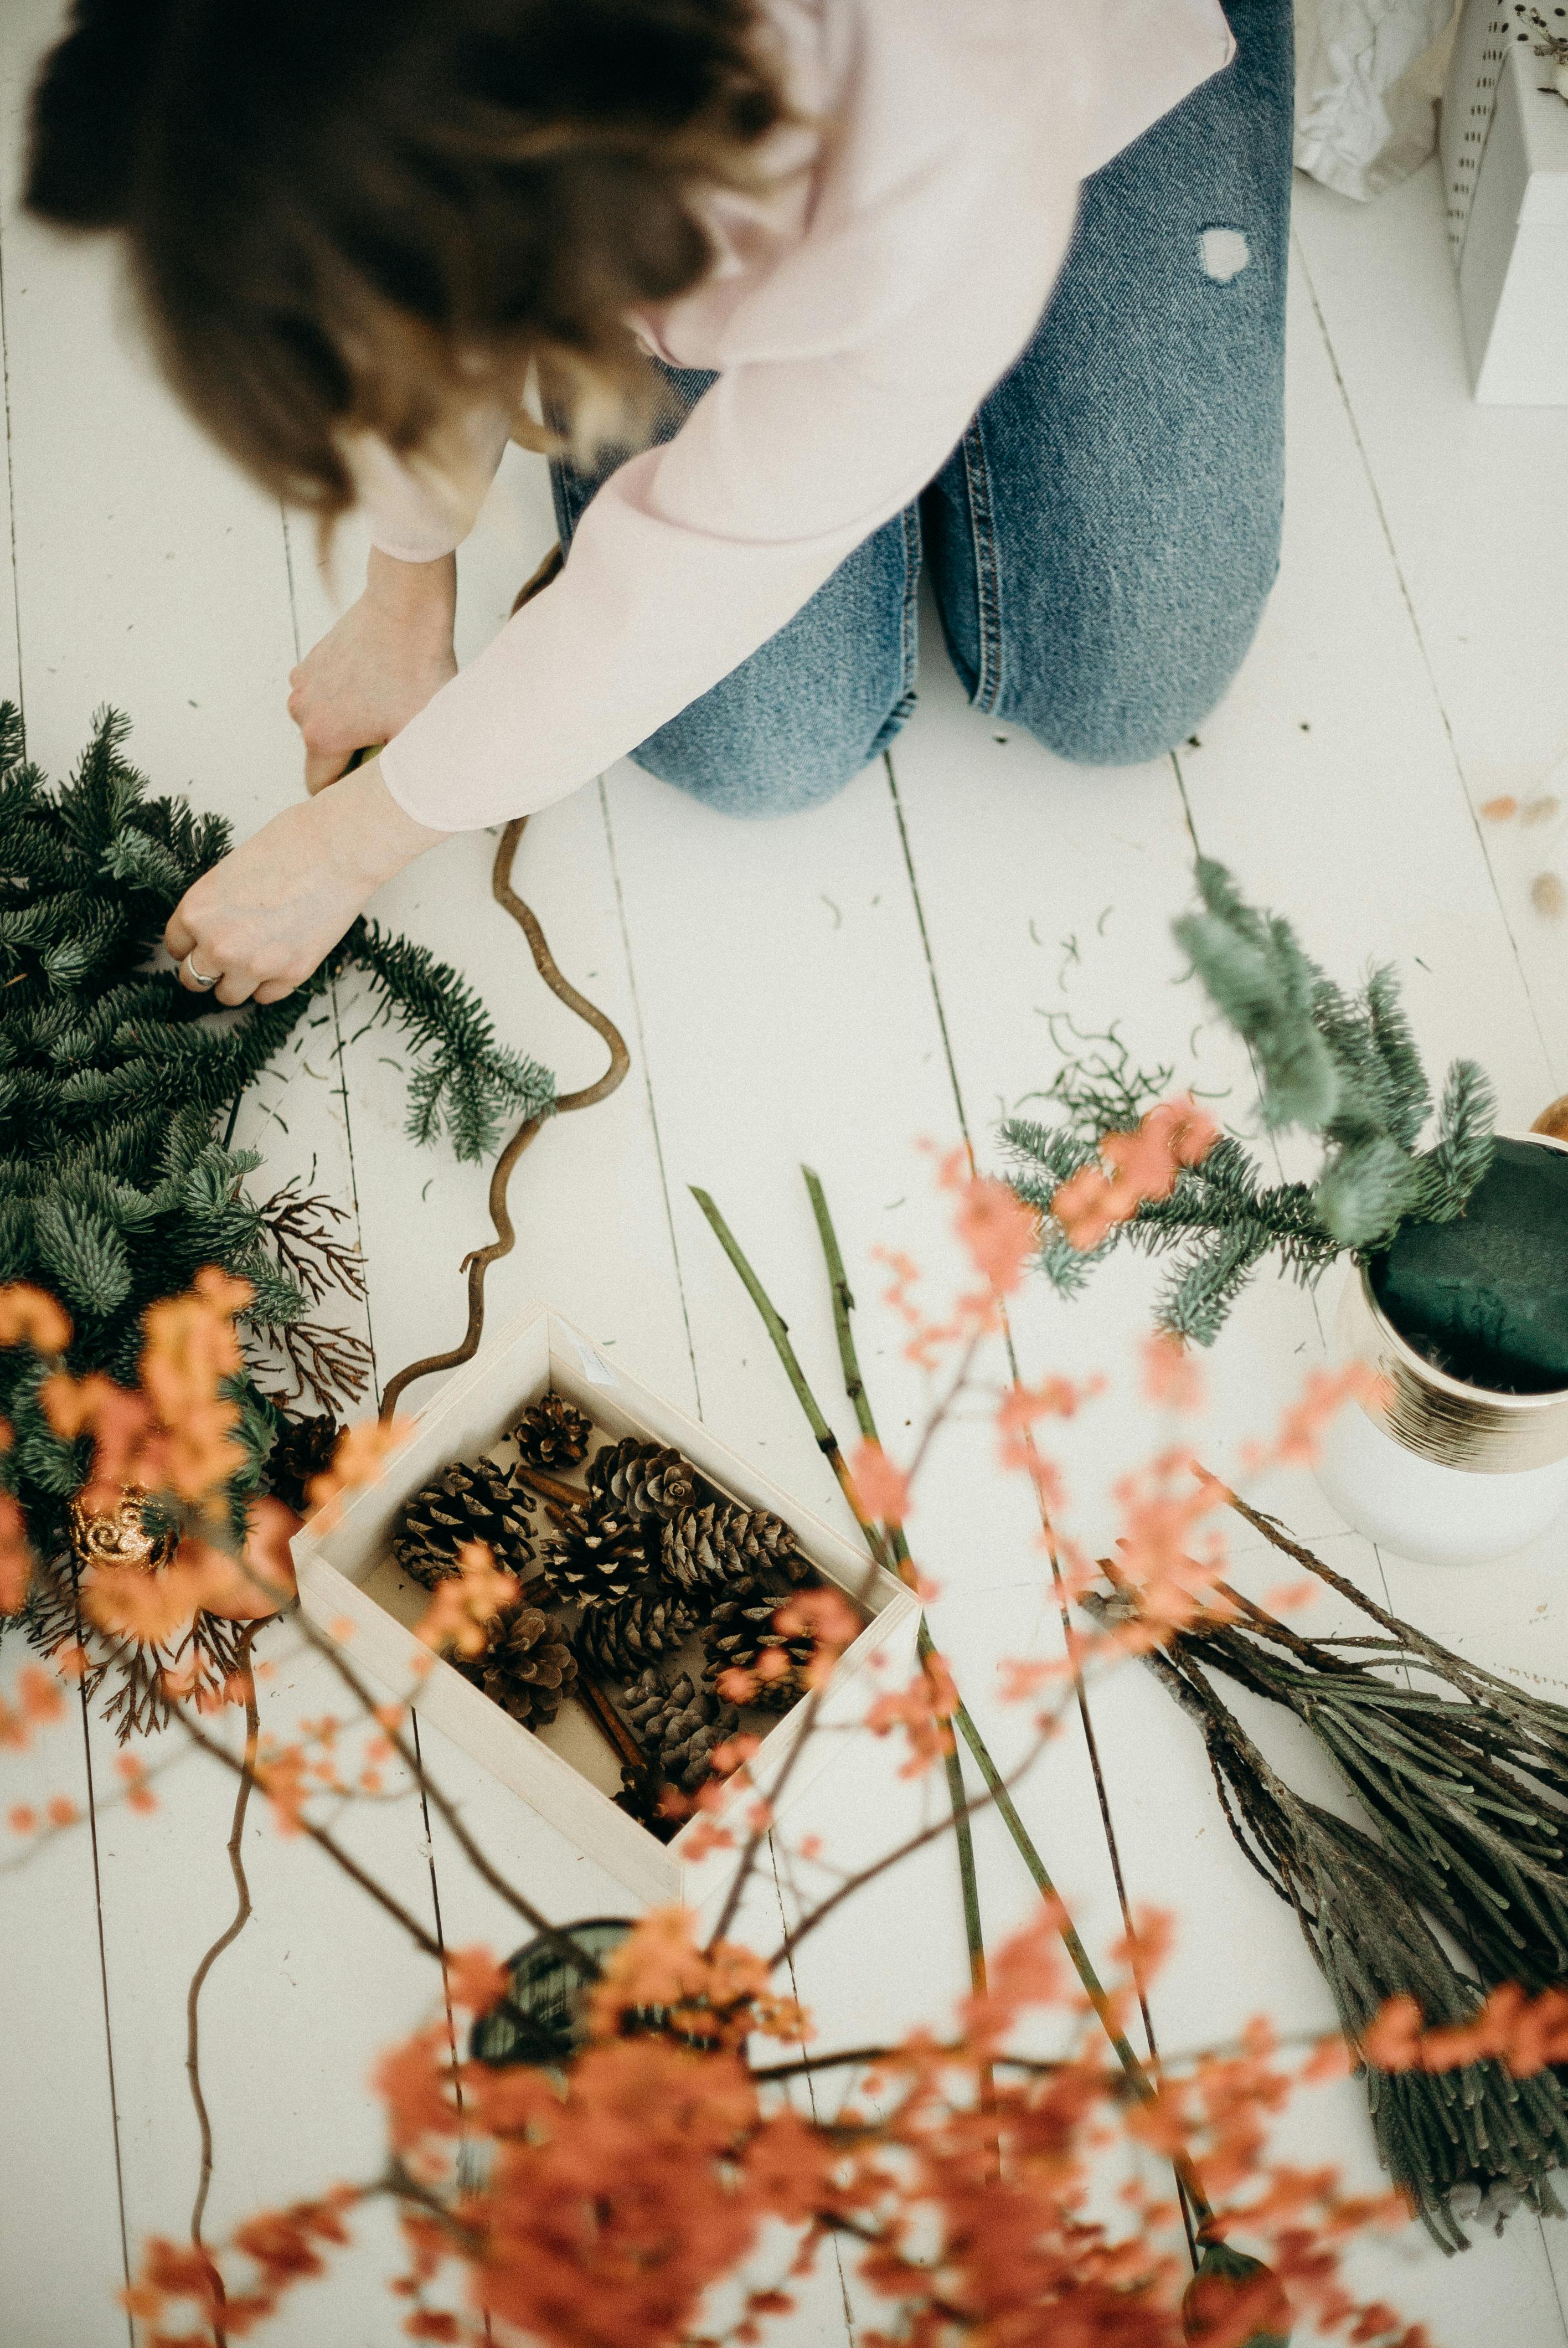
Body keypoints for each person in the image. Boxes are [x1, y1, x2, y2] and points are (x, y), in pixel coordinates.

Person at [25, 0, 1288, 1009]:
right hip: (719, 151)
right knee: (754, 748)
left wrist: (349, 843)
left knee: (1125, 678)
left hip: (1011, 79)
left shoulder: (938, 107)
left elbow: (699, 568)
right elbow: (415, 254)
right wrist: (406, 584)